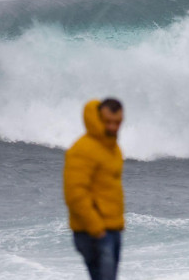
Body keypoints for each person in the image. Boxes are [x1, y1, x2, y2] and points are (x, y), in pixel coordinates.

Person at [64, 98, 126, 280]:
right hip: (93, 232)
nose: (114, 127)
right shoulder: (82, 149)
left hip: (112, 228)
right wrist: (96, 228)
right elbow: (74, 193)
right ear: (98, 118)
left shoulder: (112, 148)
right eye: (108, 122)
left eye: (118, 122)